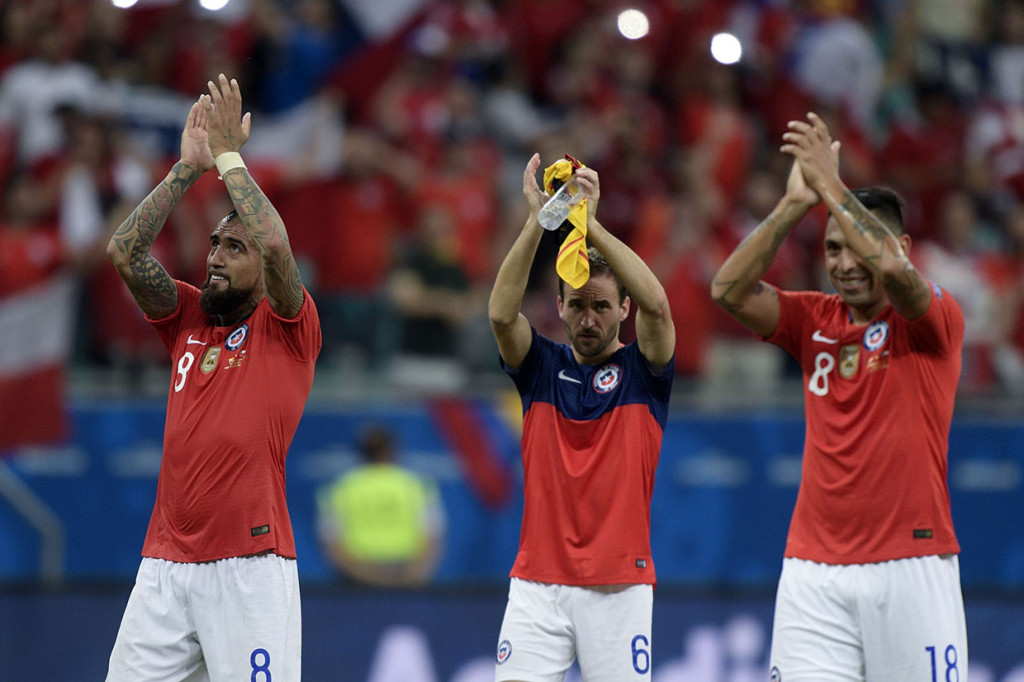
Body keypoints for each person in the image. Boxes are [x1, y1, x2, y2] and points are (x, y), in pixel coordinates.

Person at [711, 112, 967, 681]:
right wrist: (795, 205)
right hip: (811, 570)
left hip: (910, 561)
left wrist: (833, 184)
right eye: (831, 249)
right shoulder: (813, 318)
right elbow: (727, 290)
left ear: (897, 243)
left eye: (853, 246)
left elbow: (897, 274)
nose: (844, 264)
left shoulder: (932, 318)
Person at [104, 74, 320, 681]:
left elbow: (277, 247)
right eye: (216, 243)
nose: (216, 255)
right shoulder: (188, 316)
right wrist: (186, 169)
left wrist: (228, 159)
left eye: (233, 247)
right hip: (164, 568)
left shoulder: (290, 327)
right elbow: (125, 253)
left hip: (250, 565)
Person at [488, 154, 675, 681]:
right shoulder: (541, 367)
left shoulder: (646, 372)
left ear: (623, 310)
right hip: (536, 587)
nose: (587, 318)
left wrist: (589, 224)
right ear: (560, 306)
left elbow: (659, 307)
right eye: (576, 305)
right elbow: (502, 315)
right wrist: (539, 222)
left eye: (600, 305)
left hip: (620, 586)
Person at [316, 425, 446, 587]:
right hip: (405, 573)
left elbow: (331, 541)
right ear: (392, 450)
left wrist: (363, 574)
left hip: (357, 577)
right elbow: (432, 536)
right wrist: (413, 574)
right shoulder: (416, 485)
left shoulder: (341, 488)